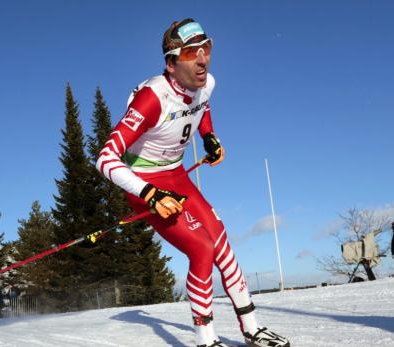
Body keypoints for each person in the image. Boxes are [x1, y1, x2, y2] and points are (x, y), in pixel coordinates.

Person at [96, 18, 289, 347]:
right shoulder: (152, 98)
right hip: (146, 183)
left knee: (221, 243)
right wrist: (149, 193)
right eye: (190, 52)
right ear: (171, 63)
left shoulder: (206, 83)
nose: (202, 58)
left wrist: (209, 136)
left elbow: (202, 107)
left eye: (206, 48)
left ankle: (252, 327)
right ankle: (205, 339)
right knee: (201, 248)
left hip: (177, 174)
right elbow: (105, 158)